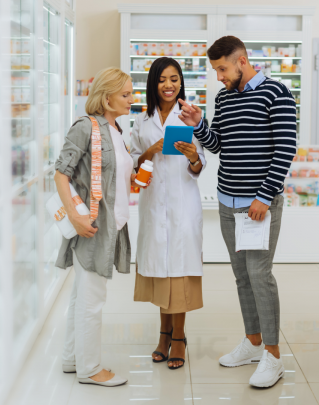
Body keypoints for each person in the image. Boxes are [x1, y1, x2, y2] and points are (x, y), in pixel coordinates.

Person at [178, 36, 298, 388]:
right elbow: (218, 144)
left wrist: (263, 196)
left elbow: (286, 149)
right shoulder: (224, 97)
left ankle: (273, 356)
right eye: (216, 70)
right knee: (242, 276)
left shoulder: (277, 93)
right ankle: (253, 341)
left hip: (258, 206)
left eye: (222, 69)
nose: (219, 76)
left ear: (242, 61)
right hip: (228, 203)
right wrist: (200, 123)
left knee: (260, 276)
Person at [54, 67, 147, 387]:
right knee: (93, 300)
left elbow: (113, 176)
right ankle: (90, 369)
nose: (131, 99)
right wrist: (76, 216)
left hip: (111, 223)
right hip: (92, 226)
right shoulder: (85, 127)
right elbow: (60, 174)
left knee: (82, 296)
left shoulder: (116, 130)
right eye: (125, 94)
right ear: (106, 98)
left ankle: (72, 358)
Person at [131, 57, 206, 370]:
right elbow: (135, 166)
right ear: (153, 83)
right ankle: (163, 334)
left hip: (183, 206)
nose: (169, 85)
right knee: (161, 274)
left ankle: (179, 337)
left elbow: (200, 166)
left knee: (180, 274)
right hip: (153, 205)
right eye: (163, 79)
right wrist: (152, 149)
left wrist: (192, 156)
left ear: (181, 83)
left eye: (175, 79)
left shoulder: (190, 117)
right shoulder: (141, 121)